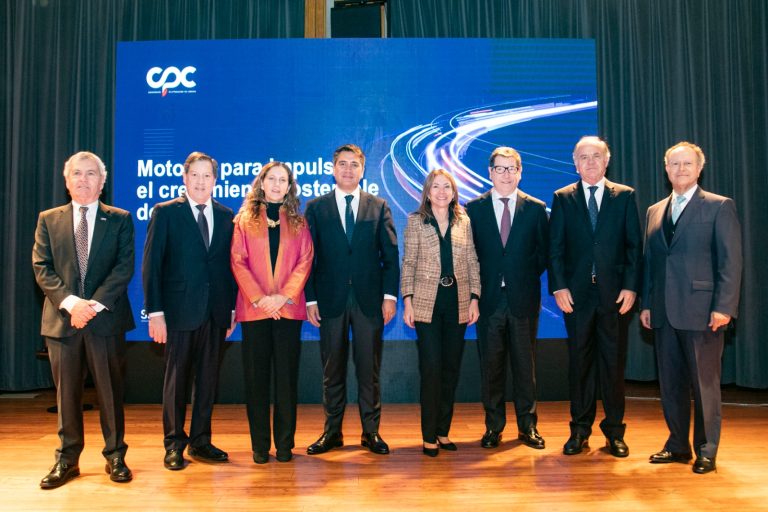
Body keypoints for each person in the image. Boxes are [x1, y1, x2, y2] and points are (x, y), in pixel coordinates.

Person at [33, 151, 135, 488]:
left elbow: (123, 267)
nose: (83, 179)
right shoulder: (48, 219)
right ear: (67, 180)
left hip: (105, 321)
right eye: (77, 173)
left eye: (91, 174)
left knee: (110, 392)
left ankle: (115, 456)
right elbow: (42, 267)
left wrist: (92, 306)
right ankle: (67, 460)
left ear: (102, 182)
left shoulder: (119, 219)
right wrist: (73, 305)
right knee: (66, 396)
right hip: (63, 322)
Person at [640, 142, 742, 474]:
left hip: (703, 313)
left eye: (687, 164)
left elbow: (730, 262)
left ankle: (706, 450)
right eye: (674, 164)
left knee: (704, 385)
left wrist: (723, 307)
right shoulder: (654, 211)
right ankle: (677, 445)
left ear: (700, 168)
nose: (680, 169)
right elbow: (650, 263)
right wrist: (647, 304)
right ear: (666, 169)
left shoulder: (719, 206)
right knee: (671, 384)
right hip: (663, 312)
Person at [142, 151, 237, 470]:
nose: (200, 181)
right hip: (178, 312)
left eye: (207, 175)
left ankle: (201, 441)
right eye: (194, 175)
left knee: (208, 381)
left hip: (215, 312)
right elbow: (152, 266)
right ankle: (173, 444)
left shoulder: (226, 215)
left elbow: (228, 267)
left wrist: (231, 308)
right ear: (184, 178)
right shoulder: (166, 212)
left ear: (215, 180)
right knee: (177, 381)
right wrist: (155, 312)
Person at [548, 136, 642, 457]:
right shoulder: (562, 198)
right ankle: (579, 430)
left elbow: (633, 247)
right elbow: (555, 248)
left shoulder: (625, 196)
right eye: (584, 157)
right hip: (575, 297)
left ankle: (615, 432)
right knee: (580, 364)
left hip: (614, 297)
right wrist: (559, 286)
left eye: (596, 156)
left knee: (613, 365)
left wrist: (631, 286)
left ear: (606, 161)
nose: (590, 162)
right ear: (575, 163)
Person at [304, 143, 400, 455]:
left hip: (369, 302)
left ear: (362, 169)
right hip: (329, 301)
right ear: (333, 169)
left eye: (354, 164)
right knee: (332, 371)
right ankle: (332, 433)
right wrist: (310, 300)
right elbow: (308, 258)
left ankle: (371, 433)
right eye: (342, 164)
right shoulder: (316, 208)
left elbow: (390, 256)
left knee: (368, 371)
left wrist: (389, 297)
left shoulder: (378, 206)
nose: (348, 169)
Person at [465, 147, 549, 450]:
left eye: (512, 168)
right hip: (488, 300)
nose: (506, 174)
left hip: (523, 299)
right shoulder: (473, 209)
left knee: (526, 367)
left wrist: (519, 276)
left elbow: (544, 253)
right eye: (500, 168)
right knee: (492, 368)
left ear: (520, 172)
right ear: (490, 172)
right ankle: (493, 427)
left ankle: (528, 427)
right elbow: (469, 255)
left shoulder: (536, 208)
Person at [230, 162, 314, 464]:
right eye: (272, 179)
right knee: (256, 380)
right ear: (261, 183)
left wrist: (282, 298)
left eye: (283, 180)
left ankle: (284, 445)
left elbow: (305, 261)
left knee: (286, 380)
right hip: (255, 310)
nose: (277, 184)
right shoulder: (244, 220)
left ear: (289, 187)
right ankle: (259, 446)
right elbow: (238, 261)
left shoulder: (299, 222)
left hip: (287, 311)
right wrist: (261, 299)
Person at [401, 169, 481, 457]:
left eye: (447, 186)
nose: (442, 192)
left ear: (454, 191)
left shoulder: (464, 221)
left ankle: (443, 431)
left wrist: (474, 298)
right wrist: (407, 300)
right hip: (426, 303)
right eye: (436, 186)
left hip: (457, 302)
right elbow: (409, 263)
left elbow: (472, 260)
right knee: (432, 368)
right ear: (427, 191)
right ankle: (428, 435)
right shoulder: (416, 221)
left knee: (450, 369)